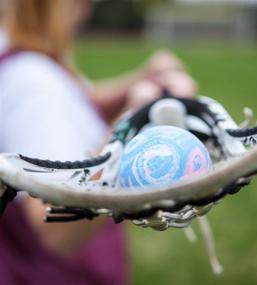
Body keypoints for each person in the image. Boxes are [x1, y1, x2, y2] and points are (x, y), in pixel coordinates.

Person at [0, 0, 197, 284]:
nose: (87, 9)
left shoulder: (27, 60)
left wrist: (141, 82)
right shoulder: (34, 83)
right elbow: (56, 229)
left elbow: (77, 102)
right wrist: (130, 131)